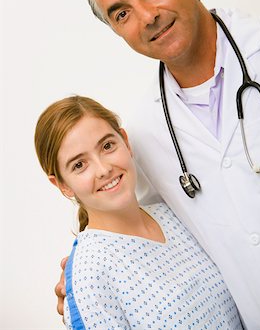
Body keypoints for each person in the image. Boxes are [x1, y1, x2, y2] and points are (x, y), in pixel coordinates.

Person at [56, 0, 260, 329]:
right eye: (121, 13)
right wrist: (84, 276)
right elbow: (141, 225)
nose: (146, 16)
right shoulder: (146, 129)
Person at [35, 95, 243, 329]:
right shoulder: (90, 272)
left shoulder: (174, 213)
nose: (103, 169)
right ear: (62, 185)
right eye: (79, 165)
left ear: (125, 141)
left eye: (107, 146)